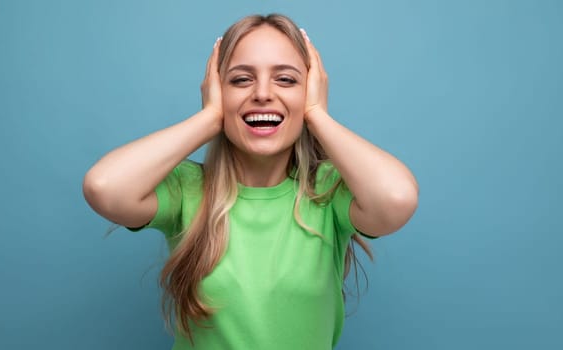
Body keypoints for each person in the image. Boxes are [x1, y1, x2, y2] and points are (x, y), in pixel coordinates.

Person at [83, 13, 418, 350]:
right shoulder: (188, 190)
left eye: (285, 80)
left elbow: (397, 197)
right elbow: (104, 187)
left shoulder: (328, 191)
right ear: (217, 91)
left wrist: (317, 115)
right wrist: (210, 118)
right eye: (241, 80)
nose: (262, 93)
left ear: (311, 90)